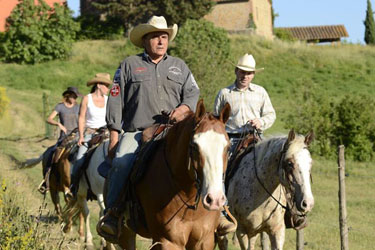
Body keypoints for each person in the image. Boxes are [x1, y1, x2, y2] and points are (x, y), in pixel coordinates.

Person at [97, 15, 200, 241]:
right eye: (155, 37)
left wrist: (183, 109)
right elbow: (115, 100)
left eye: (164, 36)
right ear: (144, 41)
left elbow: (193, 92)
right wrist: (114, 136)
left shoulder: (179, 66)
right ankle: (113, 214)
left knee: (206, 156)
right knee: (122, 161)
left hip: (174, 132)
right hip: (136, 133)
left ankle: (218, 211)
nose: (161, 41)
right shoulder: (128, 65)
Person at [213, 53, 276, 235]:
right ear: (236, 71)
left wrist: (260, 122)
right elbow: (216, 118)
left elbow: (271, 114)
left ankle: (284, 210)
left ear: (253, 75)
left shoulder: (261, 92)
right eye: (242, 72)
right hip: (232, 139)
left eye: (249, 73)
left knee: (274, 165)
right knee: (221, 171)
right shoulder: (225, 93)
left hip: (255, 137)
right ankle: (223, 210)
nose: (245, 76)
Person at [69, 73, 111, 197]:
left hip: (106, 133)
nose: (108, 89)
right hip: (90, 133)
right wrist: (81, 136)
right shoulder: (87, 98)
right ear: (99, 85)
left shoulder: (108, 100)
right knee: (79, 158)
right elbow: (81, 118)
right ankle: (74, 186)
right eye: (106, 86)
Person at [38, 86, 81, 194]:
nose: (74, 99)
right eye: (73, 96)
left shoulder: (78, 107)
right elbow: (49, 118)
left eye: (76, 97)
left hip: (77, 136)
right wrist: (58, 124)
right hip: (64, 138)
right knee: (53, 155)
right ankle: (46, 181)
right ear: (68, 95)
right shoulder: (60, 107)